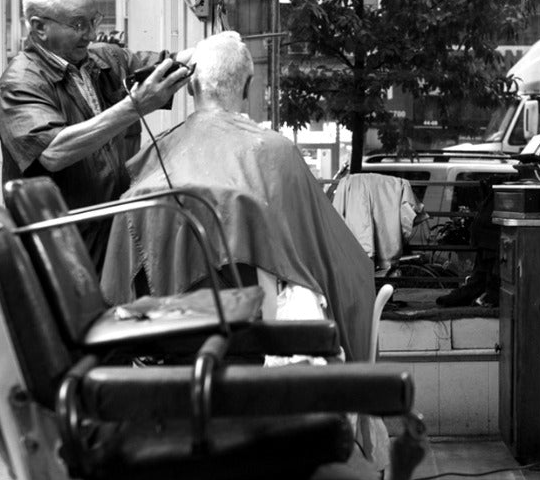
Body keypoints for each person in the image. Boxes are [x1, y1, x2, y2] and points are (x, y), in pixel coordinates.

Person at [101, 31, 376, 363]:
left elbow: (120, 280)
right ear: (247, 88)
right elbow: (323, 249)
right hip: (251, 340)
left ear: (190, 87)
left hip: (165, 341)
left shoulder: (154, 156)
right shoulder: (275, 151)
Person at [0, 0, 190, 271]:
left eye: (93, 20)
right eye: (78, 24)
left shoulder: (104, 60)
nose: (90, 33)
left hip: (112, 233)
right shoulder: (20, 82)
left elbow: (172, 65)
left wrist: (209, 53)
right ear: (38, 27)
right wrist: (135, 107)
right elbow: (53, 151)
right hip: (62, 250)